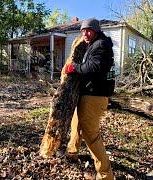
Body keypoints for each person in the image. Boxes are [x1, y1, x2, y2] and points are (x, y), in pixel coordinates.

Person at [63, 18, 115, 180]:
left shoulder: (101, 45)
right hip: (89, 94)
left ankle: (105, 175)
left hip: (95, 96)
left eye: (89, 30)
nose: (85, 33)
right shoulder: (94, 44)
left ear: (96, 31)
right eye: (83, 31)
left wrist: (74, 68)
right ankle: (72, 152)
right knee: (76, 123)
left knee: (91, 135)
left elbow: (94, 67)